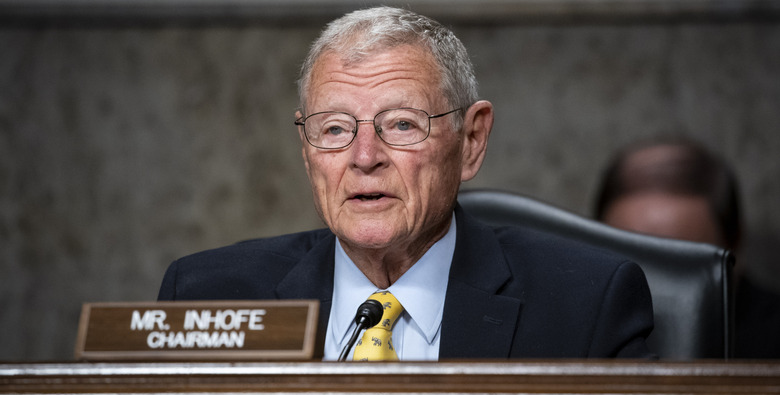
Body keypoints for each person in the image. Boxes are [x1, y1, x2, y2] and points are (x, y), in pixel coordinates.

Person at [158, 6, 655, 360]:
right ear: (307, 151)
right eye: (334, 129)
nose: (365, 158)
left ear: (472, 141)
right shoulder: (208, 296)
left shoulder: (586, 308)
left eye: (401, 124)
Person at [594, 137, 780, 358]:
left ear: (734, 244)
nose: (645, 286)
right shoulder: (580, 330)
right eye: (625, 258)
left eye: (676, 262)